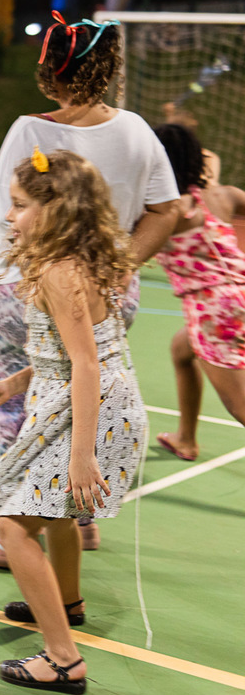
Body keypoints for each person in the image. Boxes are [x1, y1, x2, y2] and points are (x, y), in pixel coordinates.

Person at [0, 11, 179, 568]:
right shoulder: (138, 131)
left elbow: (9, 223)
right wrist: (120, 266)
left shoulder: (30, 131)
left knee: (17, 407)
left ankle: (12, 528)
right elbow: (167, 211)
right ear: (109, 69)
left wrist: (41, 280)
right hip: (108, 294)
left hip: (25, 289)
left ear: (51, 70)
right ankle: (75, 516)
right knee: (78, 395)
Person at [0, 148, 145, 695]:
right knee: (57, 516)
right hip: (91, 401)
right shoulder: (77, 259)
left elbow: (86, 365)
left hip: (91, 409)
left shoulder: (60, 271)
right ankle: (67, 602)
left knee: (14, 527)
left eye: (18, 205)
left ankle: (62, 659)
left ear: (55, 209)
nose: (9, 216)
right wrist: (9, 386)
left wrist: (81, 457)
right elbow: (67, 354)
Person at [152, 123, 245, 461]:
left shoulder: (166, 210)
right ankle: (185, 440)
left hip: (215, 312)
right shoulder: (223, 195)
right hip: (240, 294)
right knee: (181, 350)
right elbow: (211, 159)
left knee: (240, 407)